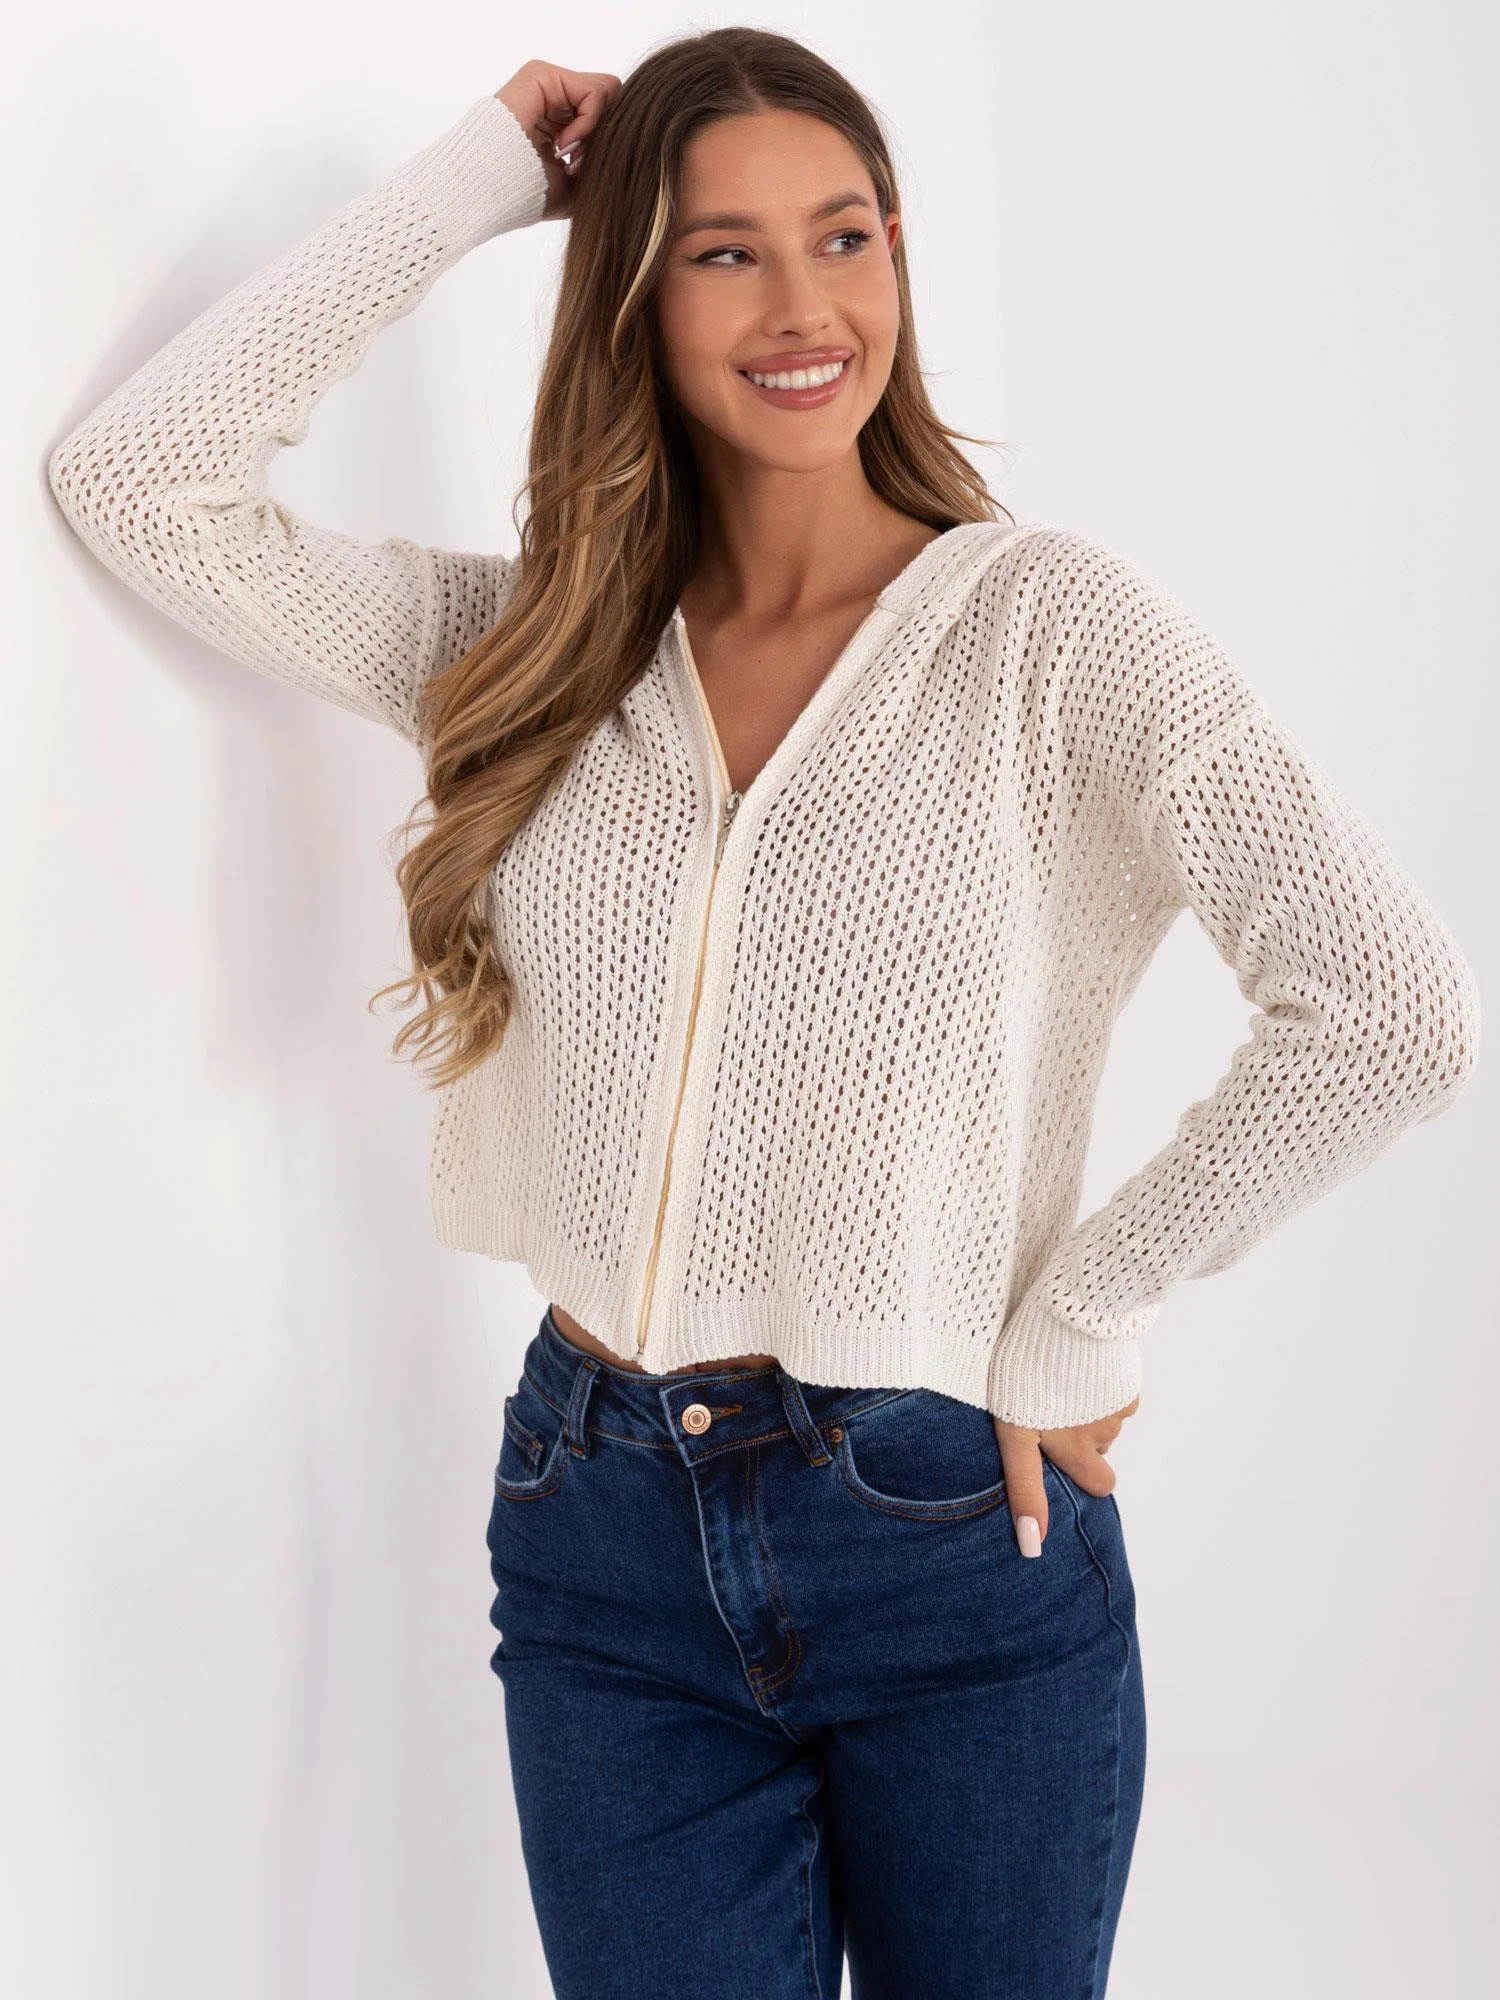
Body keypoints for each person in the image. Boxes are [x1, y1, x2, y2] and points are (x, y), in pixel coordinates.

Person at [46, 25, 1480, 1999]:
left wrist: (1087, 1300)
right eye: (724, 251)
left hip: (946, 1522)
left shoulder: (1050, 632)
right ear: (632, 291)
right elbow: (134, 483)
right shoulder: (532, 650)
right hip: (595, 1525)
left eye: (845, 233)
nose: (805, 306)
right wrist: (482, 179)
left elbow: (1389, 1005)